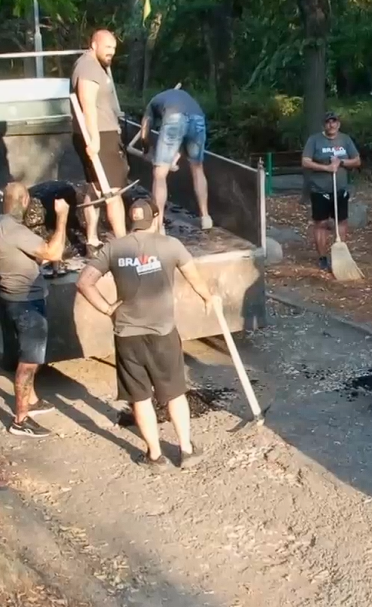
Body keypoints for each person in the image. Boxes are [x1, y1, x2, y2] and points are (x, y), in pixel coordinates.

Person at [76, 198, 215, 471]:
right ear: (155, 217)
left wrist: (107, 309)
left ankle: (155, 456)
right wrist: (209, 298)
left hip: (128, 335)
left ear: (131, 220)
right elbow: (193, 275)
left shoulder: (113, 248)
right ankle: (186, 450)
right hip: (163, 333)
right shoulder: (171, 245)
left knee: (139, 397)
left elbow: (84, 282)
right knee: (175, 393)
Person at [0, 184, 68, 437]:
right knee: (29, 363)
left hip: (8, 298)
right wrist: (61, 217)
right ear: (26, 200)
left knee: (26, 355)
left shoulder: (3, 226)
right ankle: (20, 420)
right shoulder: (15, 231)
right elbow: (54, 252)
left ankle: (32, 401)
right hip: (27, 304)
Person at [72, 29, 128, 254]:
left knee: (96, 188)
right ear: (94, 45)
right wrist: (94, 139)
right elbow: (87, 104)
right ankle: (124, 245)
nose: (111, 53)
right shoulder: (88, 67)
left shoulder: (100, 66)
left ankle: (92, 240)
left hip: (104, 133)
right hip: (99, 136)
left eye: (114, 49)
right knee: (112, 191)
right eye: (107, 47)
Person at [140, 87, 212, 231]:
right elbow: (182, 136)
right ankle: (205, 217)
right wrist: (173, 158)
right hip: (198, 118)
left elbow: (144, 130)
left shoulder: (152, 104)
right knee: (197, 168)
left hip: (174, 118)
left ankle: (158, 224)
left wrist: (146, 148)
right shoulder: (178, 97)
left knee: (159, 174)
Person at [300, 112, 362, 272]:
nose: (331, 125)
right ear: (324, 125)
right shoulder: (314, 140)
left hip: (340, 189)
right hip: (320, 190)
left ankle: (339, 252)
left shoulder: (345, 139)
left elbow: (357, 160)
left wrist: (341, 161)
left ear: (338, 124)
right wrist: (326, 167)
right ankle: (322, 257)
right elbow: (305, 161)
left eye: (334, 122)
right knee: (321, 223)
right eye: (328, 122)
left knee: (341, 221)